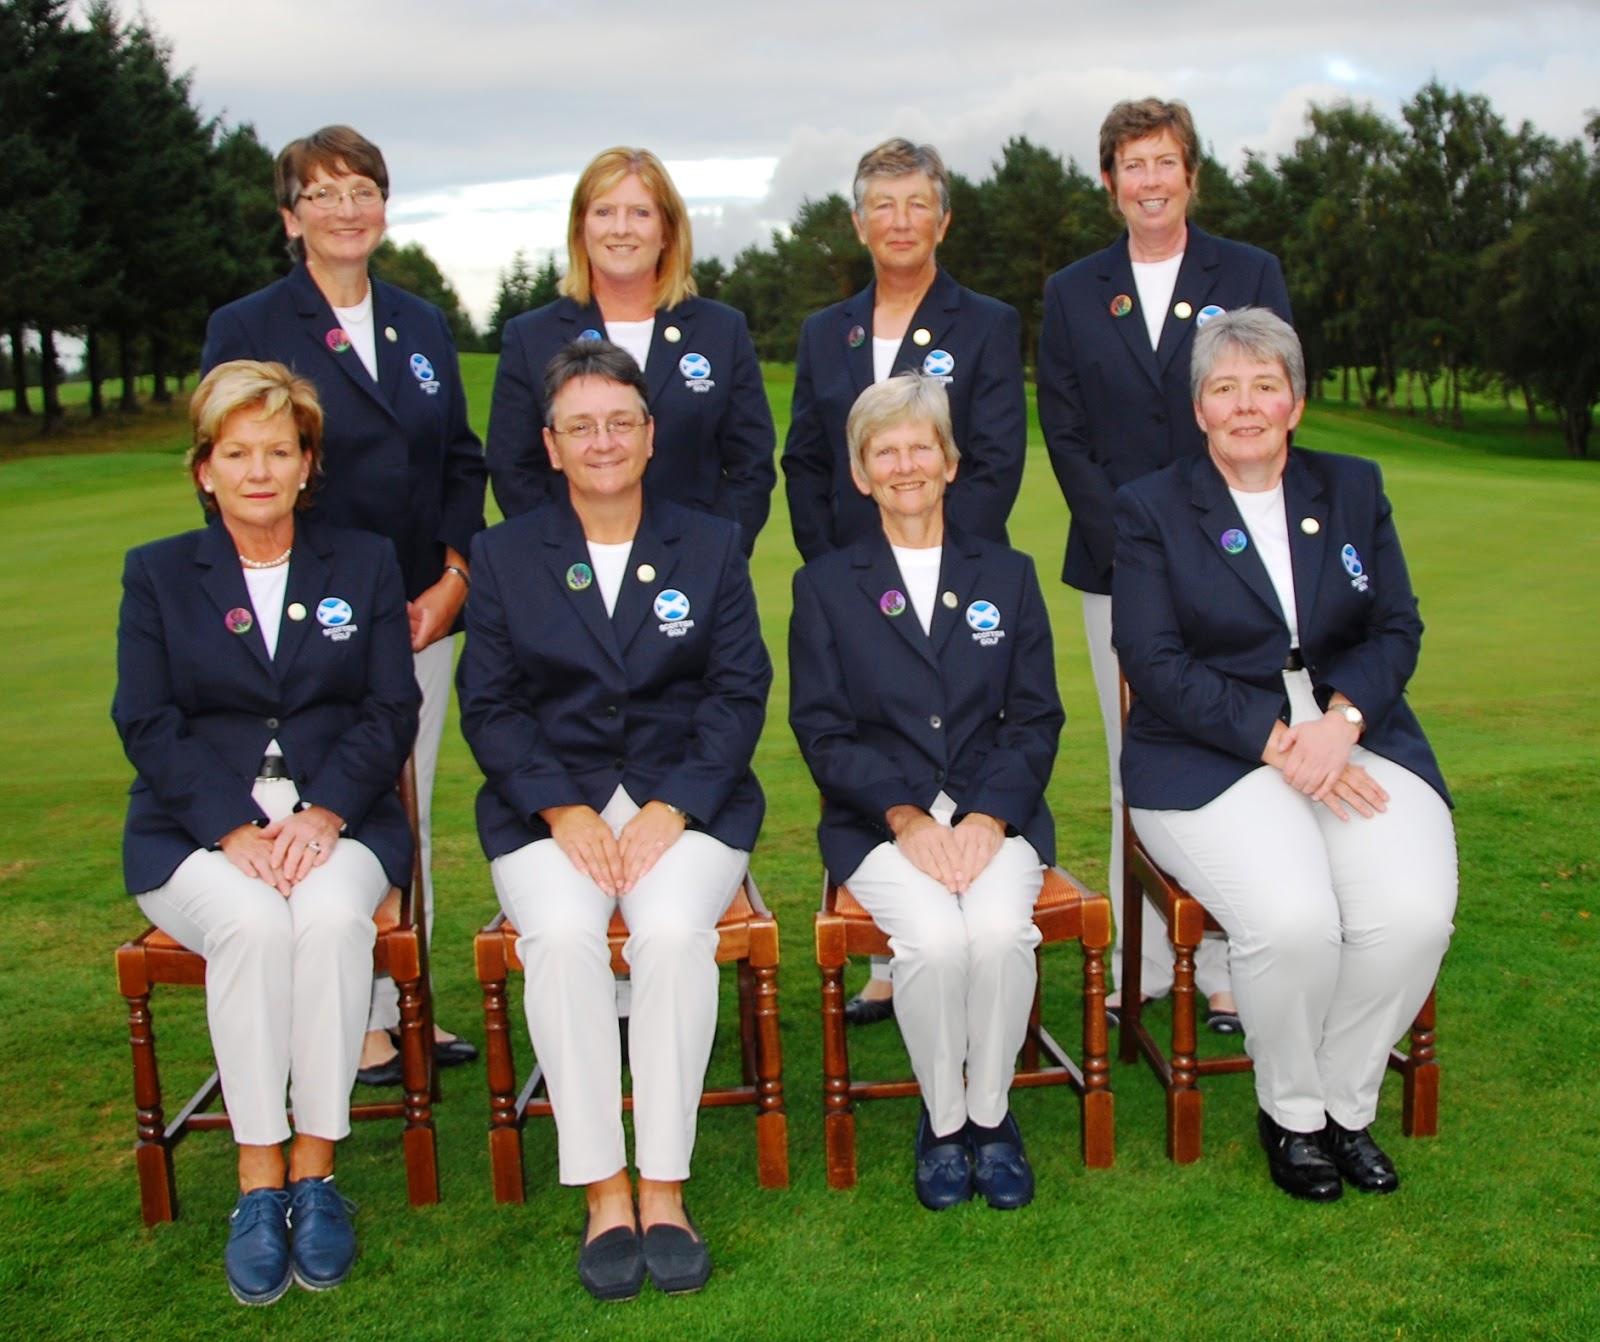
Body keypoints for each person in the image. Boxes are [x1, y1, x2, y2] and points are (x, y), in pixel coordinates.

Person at [1113, 307, 1456, 1201]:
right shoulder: (1149, 508)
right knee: (1295, 921)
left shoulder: (1353, 486)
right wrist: (1276, 741)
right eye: (1224, 389)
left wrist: (1341, 721)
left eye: (1266, 386)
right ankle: (1294, 1115)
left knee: (1414, 915)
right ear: (1199, 410)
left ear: (1296, 403)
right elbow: (1151, 661)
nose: (1246, 406)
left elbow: (1396, 624)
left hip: (1352, 735)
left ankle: (1347, 1102)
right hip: (1210, 753)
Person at [458, 340, 770, 1299]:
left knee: (675, 933)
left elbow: (737, 688)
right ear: (550, 446)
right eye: (581, 426)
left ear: (649, 436)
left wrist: (675, 804)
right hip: (548, 806)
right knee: (559, 935)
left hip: (689, 802)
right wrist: (560, 807)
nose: (603, 442)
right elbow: (492, 704)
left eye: (621, 423)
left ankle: (666, 1187)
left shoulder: (709, 543)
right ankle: (603, 1189)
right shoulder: (505, 555)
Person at [113, 361, 420, 1303]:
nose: (258, 470)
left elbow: (388, 705)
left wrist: (325, 810)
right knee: (251, 925)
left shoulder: (362, 563)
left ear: (305, 465)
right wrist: (230, 829)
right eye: (236, 452)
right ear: (204, 469)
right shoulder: (159, 573)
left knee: (329, 924)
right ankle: (259, 1179)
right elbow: (146, 719)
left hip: (343, 822)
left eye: (277, 451)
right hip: (195, 835)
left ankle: (317, 1171)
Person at [202, 125, 486, 1083]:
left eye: (362, 187)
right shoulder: (249, 325)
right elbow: (240, 470)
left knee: (407, 804)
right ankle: (356, 1019)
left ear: (384, 204)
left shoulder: (422, 321)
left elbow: (458, 459)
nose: (347, 207)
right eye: (322, 193)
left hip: (419, 613)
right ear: (292, 218)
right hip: (307, 624)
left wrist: (454, 577)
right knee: (328, 802)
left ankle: (408, 1001)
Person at [1038, 97, 1295, 1034]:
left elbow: (1263, 407)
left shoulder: (1250, 272)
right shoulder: (1073, 290)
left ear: (1192, 174)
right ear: (1109, 181)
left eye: (1164, 162)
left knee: (1233, 751)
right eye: (1131, 164)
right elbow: (1064, 431)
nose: (1149, 181)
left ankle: (1226, 962)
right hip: (1114, 567)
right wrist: (1141, 548)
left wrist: (1194, 551)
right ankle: (1137, 966)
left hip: (1232, 564)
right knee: (1129, 760)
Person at [789, 374, 1062, 1212]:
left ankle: (992, 1117)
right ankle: (943, 1123)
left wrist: (986, 816)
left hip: (995, 816)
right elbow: (823, 729)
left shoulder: (1008, 575)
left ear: (949, 462)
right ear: (862, 473)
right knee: (937, 945)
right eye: (884, 451)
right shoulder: (827, 586)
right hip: (879, 823)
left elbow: (1036, 718)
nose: (905, 464)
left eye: (921, 446)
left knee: (998, 935)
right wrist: (905, 814)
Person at [783, 137, 1028, 1026]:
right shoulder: (826, 331)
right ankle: (890, 954)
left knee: (962, 738)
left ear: (943, 218)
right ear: (858, 223)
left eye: (916, 203)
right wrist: (845, 572)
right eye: (881, 206)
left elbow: (995, 459)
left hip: (954, 574)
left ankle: (967, 898)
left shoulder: (988, 322)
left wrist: (934, 551)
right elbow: (808, 461)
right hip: (853, 587)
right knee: (860, 746)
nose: (899, 221)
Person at [486, 146, 775, 556]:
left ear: (667, 230)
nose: (621, 229)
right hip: (572, 578)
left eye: (640, 213)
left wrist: (712, 558)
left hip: (695, 576)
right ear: (581, 228)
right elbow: (514, 470)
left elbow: (751, 466)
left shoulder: (721, 330)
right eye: (604, 212)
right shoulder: (531, 337)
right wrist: (566, 560)